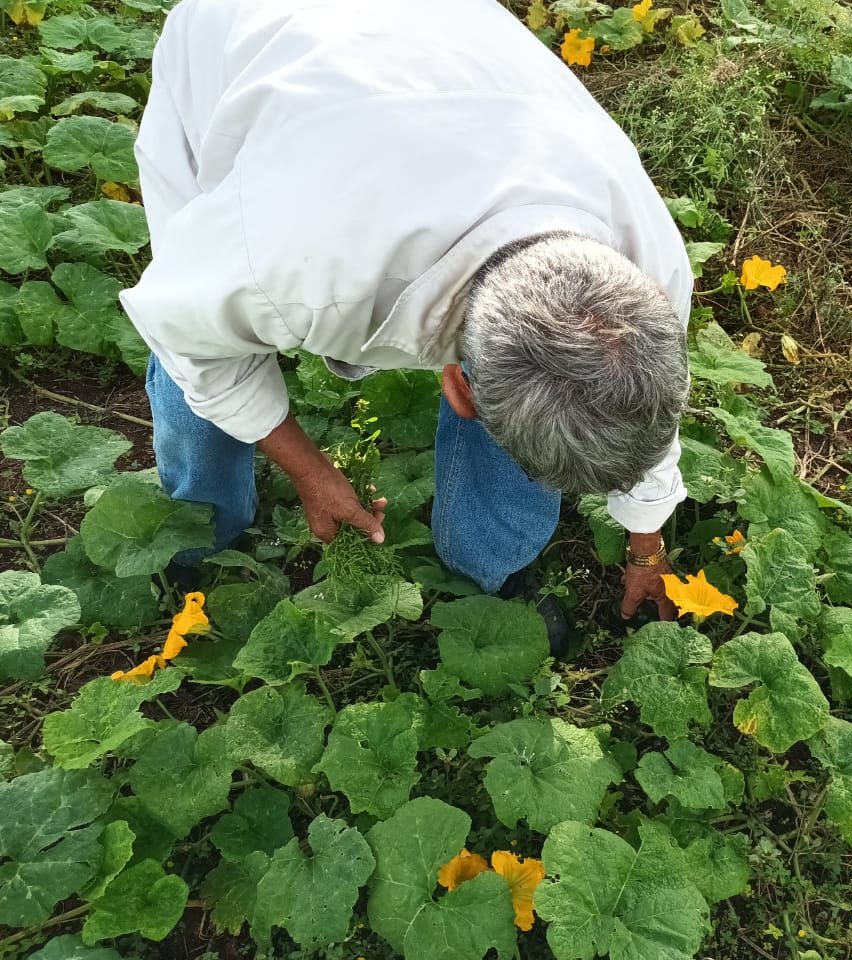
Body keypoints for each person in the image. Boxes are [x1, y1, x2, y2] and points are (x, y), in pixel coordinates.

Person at [120, 0, 694, 648]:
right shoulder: (288, 265)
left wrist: (647, 539)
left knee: (540, 400)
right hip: (240, 35)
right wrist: (311, 472)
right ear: (460, 386)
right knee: (194, 343)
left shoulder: (649, 269)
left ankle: (484, 567)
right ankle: (198, 536)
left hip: (442, 49)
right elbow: (189, 337)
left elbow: (639, 405)